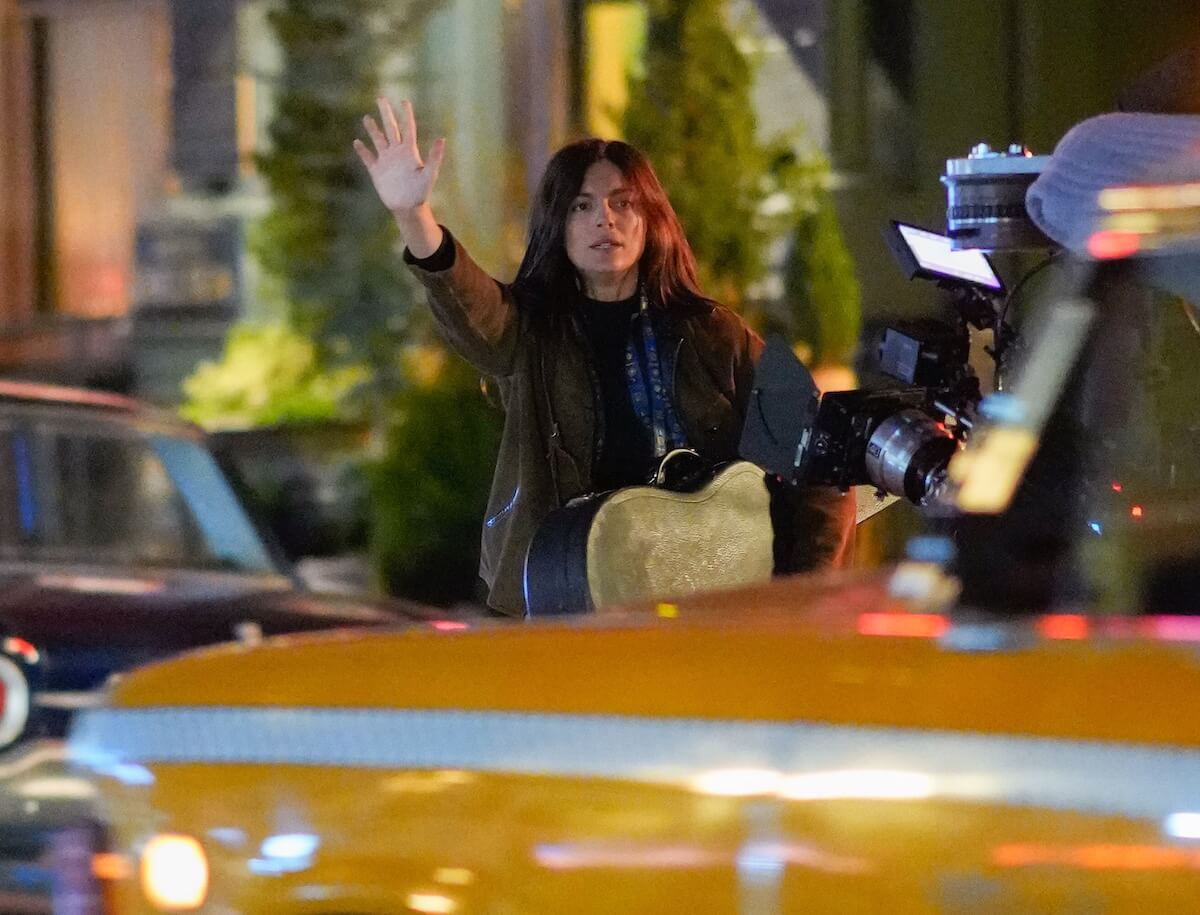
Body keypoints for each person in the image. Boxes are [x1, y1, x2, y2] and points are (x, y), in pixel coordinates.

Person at [354, 98, 854, 617]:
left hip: (711, 604)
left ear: (650, 218)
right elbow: (471, 305)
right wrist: (414, 215)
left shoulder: (714, 332)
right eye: (582, 206)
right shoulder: (530, 331)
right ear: (557, 223)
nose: (605, 220)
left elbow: (820, 453)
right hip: (569, 600)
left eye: (623, 203)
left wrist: (799, 594)